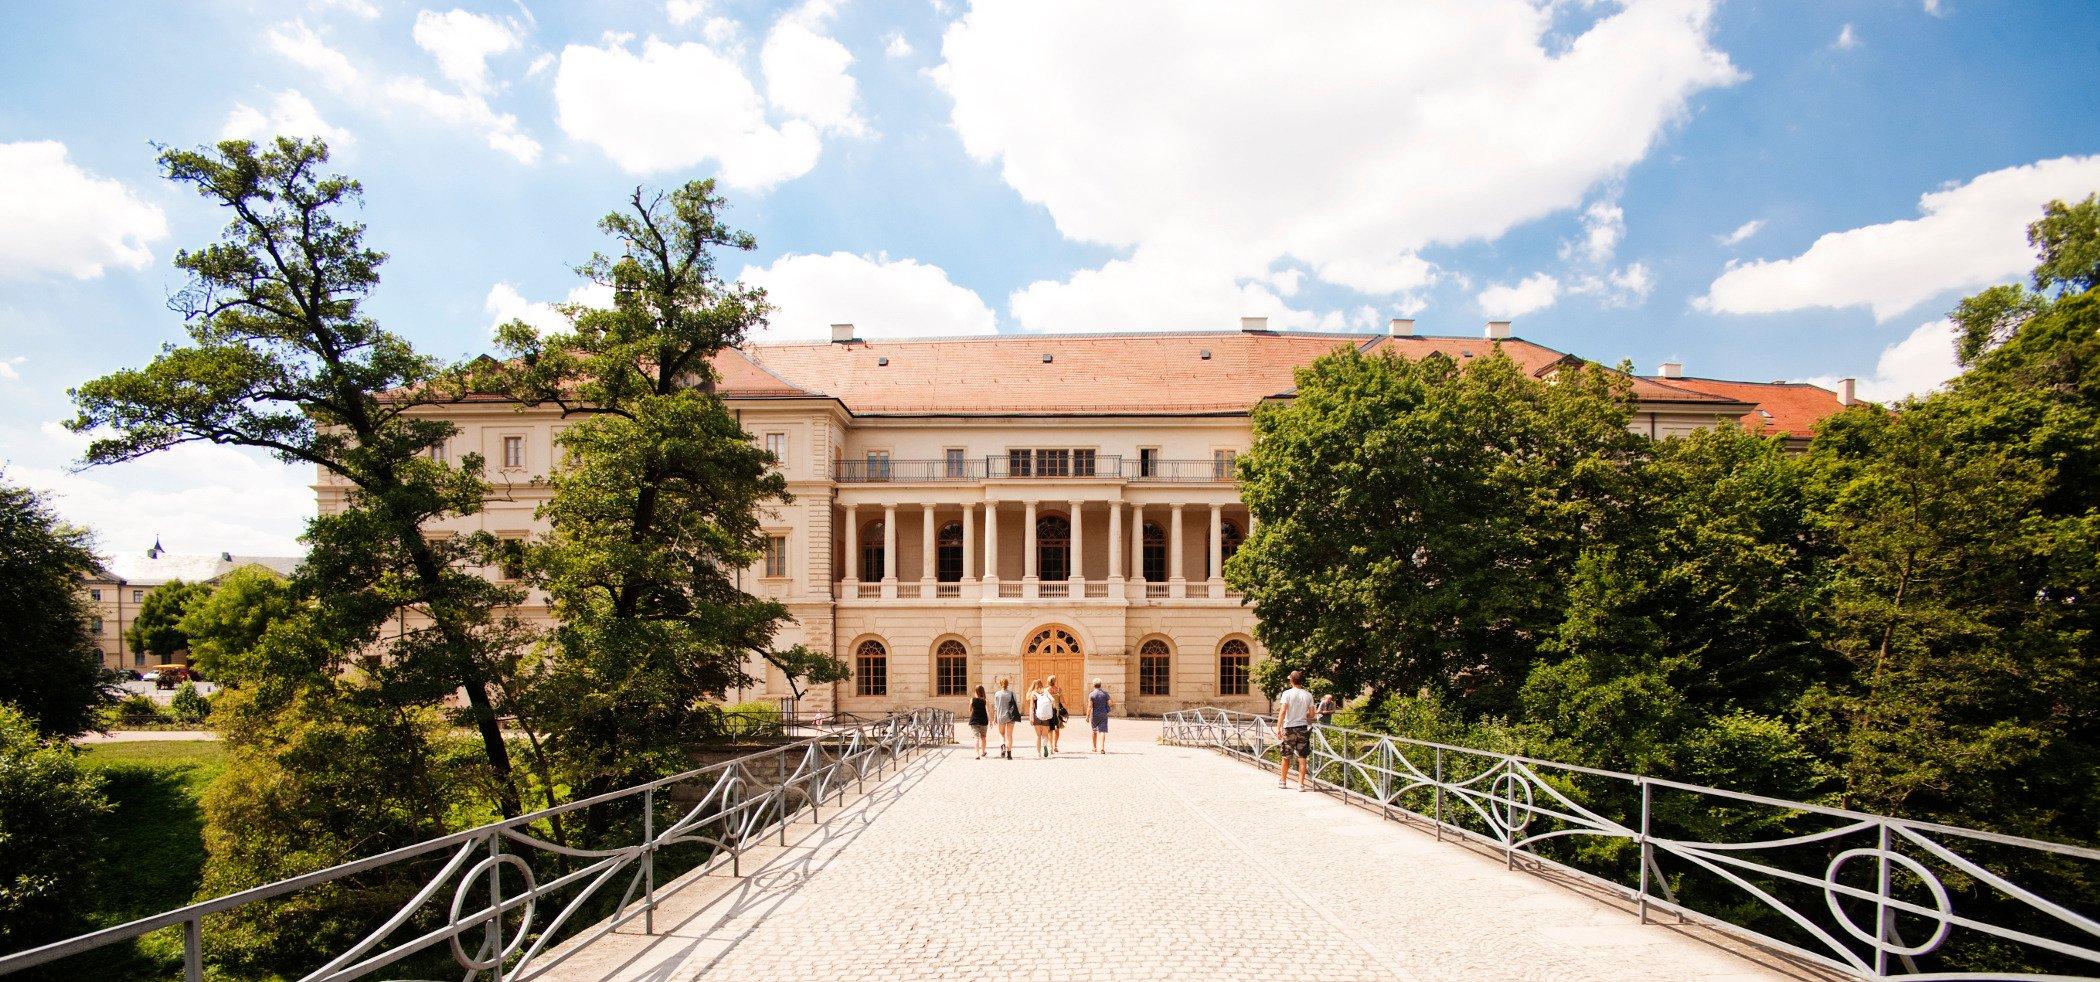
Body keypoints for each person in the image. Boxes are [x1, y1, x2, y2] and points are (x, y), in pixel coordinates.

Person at [1274, 670, 1316, 791]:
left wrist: (1278, 728)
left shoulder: (1287, 693)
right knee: (1302, 757)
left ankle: (1283, 781)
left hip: (1289, 728)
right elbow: (1312, 714)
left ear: (1291, 681)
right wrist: (1302, 715)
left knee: (1286, 756)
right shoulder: (1308, 695)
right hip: (1302, 728)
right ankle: (1301, 784)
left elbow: (1283, 711)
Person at [991, 677, 1021, 759]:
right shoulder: (1012, 694)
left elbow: (996, 707)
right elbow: (1016, 705)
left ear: (1000, 684)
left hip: (1001, 716)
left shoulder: (997, 694)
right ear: (1008, 684)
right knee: (1009, 735)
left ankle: (1003, 745)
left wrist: (995, 718)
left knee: (1001, 734)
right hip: (1011, 716)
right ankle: (1009, 755)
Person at [1029, 679, 1057, 757]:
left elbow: (1031, 707)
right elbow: (1053, 700)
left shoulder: (1033, 694)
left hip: (1036, 717)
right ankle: (1045, 746)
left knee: (1038, 736)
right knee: (1045, 735)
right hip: (1046, 716)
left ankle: (1038, 753)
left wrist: (1031, 718)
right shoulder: (1046, 691)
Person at [1087, 679, 1111, 753]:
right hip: (1103, 714)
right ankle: (1102, 748)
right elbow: (1110, 703)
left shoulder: (1091, 694)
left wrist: (1087, 716)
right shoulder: (1105, 694)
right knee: (1103, 731)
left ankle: (1094, 748)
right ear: (1100, 685)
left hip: (1094, 715)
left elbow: (1090, 706)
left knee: (1094, 730)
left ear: (1093, 685)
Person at [1046, 675, 1068, 754]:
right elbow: (1062, 701)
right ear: (1055, 681)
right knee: (1057, 729)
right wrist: (1066, 711)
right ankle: (1055, 745)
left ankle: (1050, 746)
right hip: (1057, 711)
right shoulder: (1058, 689)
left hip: (1048, 710)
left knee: (1049, 729)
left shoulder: (1046, 690)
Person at [968, 685, 991, 759]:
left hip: (974, 720)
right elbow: (987, 711)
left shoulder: (972, 699)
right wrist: (990, 721)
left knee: (976, 737)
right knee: (983, 737)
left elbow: (970, 709)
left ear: (976, 691)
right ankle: (983, 752)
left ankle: (977, 754)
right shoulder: (985, 700)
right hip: (983, 720)